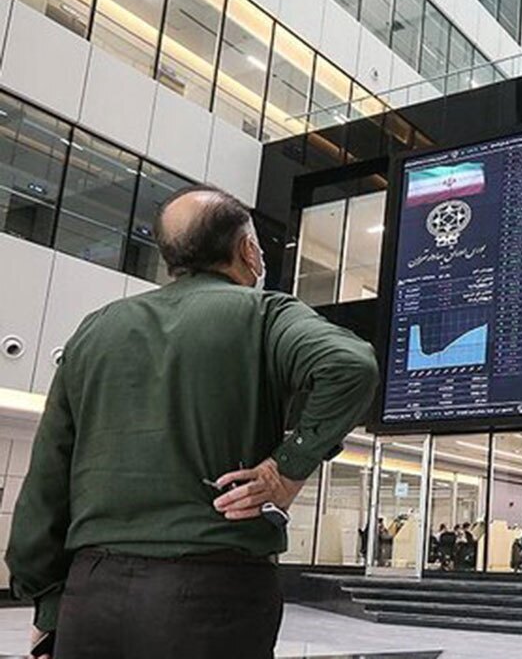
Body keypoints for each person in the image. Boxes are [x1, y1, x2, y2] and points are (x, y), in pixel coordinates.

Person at [5, 185, 379, 659]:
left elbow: (48, 473)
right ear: (248, 250)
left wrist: (47, 604)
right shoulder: (266, 315)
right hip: (216, 593)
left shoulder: (97, 328)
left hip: (92, 596)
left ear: (170, 257)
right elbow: (350, 365)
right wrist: (286, 468)